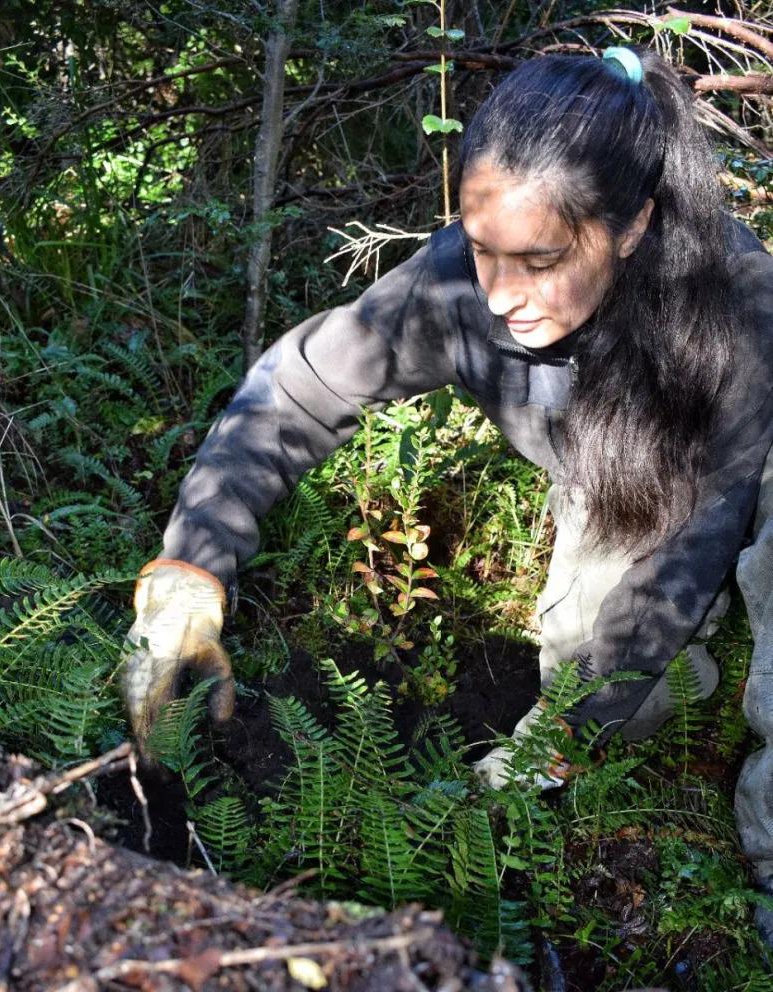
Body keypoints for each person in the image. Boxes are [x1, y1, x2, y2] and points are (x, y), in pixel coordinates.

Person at [124, 48, 773, 939]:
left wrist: (555, 745)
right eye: (482, 253)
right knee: (617, 697)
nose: (503, 296)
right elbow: (296, 393)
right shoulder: (458, 285)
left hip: (736, 457)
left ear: (631, 227)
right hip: (621, 471)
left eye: (541, 260)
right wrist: (189, 572)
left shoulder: (736, 309)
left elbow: (688, 549)